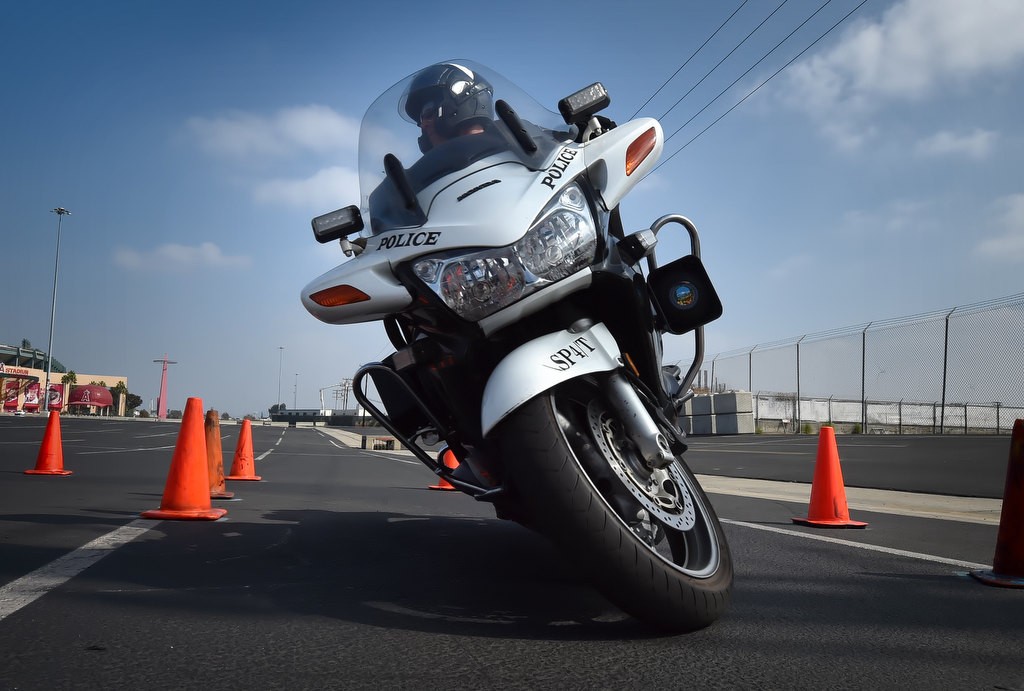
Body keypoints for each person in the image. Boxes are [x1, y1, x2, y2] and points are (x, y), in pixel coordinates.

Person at [401, 63, 495, 153]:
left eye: (428, 112)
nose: (423, 124)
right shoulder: (435, 168)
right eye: (421, 119)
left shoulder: (503, 156)